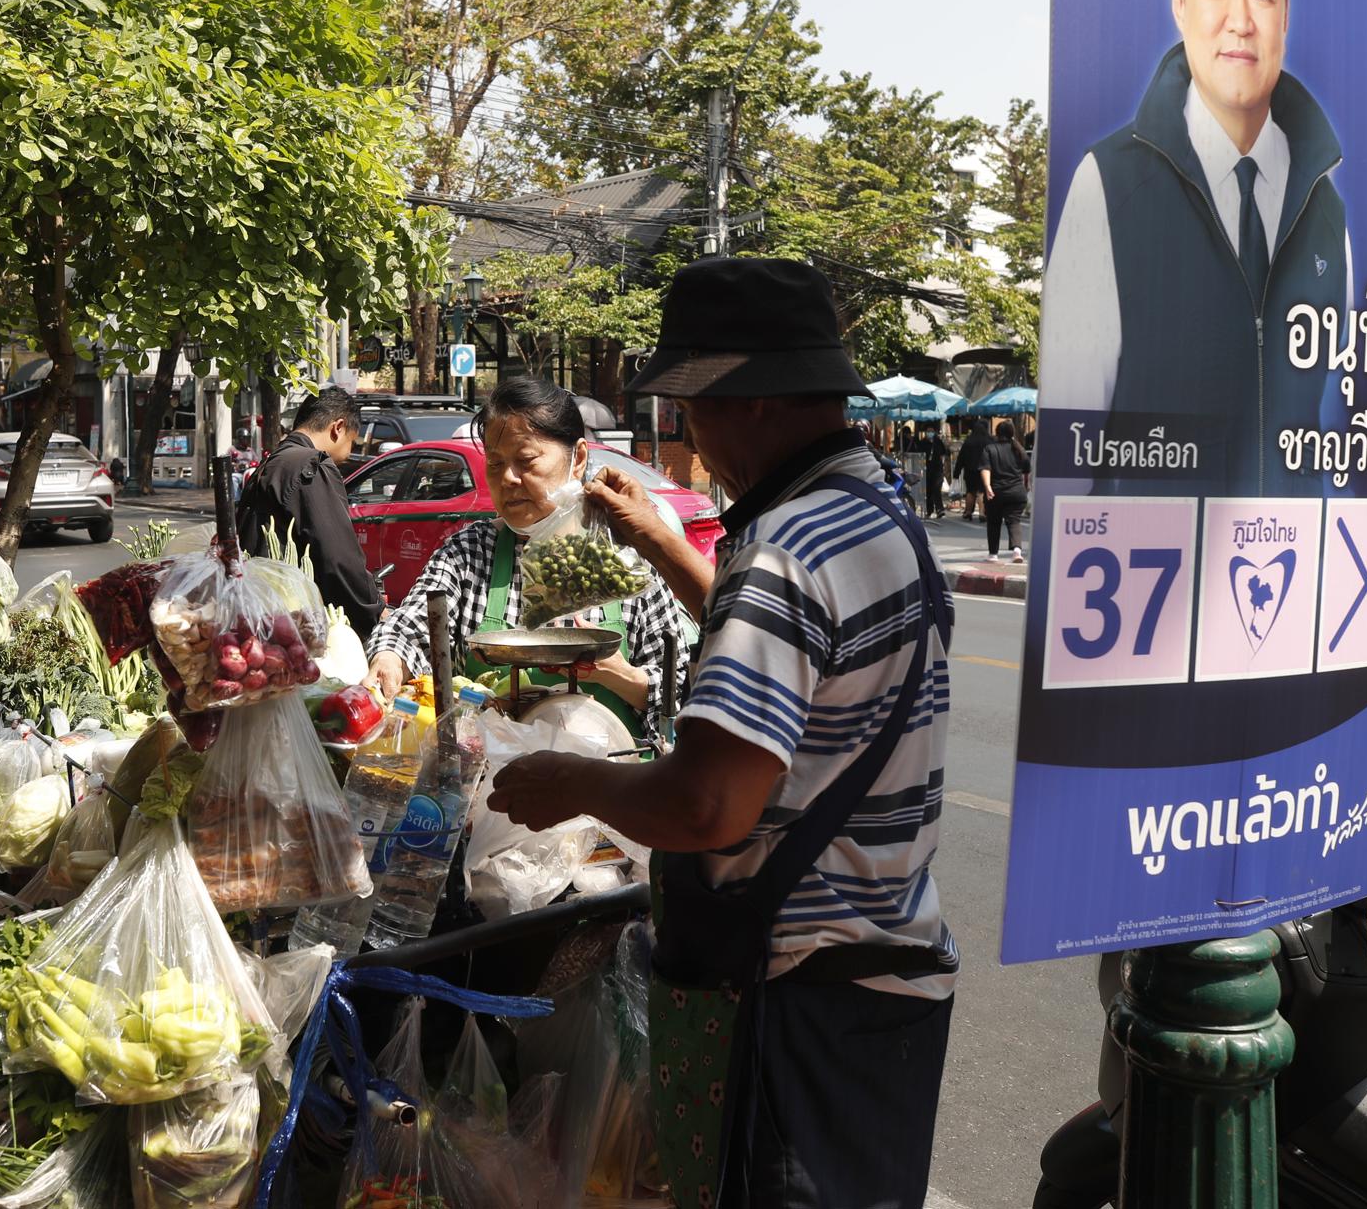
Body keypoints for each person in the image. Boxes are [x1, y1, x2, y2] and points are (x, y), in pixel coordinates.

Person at [488, 259, 956, 1208]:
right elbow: (794, 664)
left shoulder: (784, 549)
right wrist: (666, 543)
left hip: (800, 996)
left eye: (692, 406)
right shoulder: (876, 513)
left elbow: (706, 801)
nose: (687, 432)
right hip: (889, 979)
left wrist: (572, 781)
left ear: (750, 400)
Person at [1040, 0, 1343, 495]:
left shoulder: (1324, 208)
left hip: (1284, 576)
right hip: (1152, 582)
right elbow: (1071, 444)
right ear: (1178, 0)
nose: (1241, 19)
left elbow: (1322, 430)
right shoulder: (1109, 187)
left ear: (1286, 13)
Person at [363, 376, 688, 745]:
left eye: (526, 460)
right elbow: (408, 631)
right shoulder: (469, 553)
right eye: (496, 463)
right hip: (489, 785)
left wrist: (615, 673)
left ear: (578, 458)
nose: (508, 478)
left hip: (610, 786)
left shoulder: (624, 555)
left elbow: (681, 694)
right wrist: (389, 660)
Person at [237, 387, 385, 639]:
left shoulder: (272, 463)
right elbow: (338, 558)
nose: (349, 453)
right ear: (338, 428)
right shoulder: (310, 465)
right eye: (352, 441)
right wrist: (374, 610)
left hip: (259, 614)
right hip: (295, 626)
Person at [980, 419, 1030, 564]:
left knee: (994, 522)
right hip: (1017, 492)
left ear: (996, 433)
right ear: (1012, 433)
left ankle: (993, 554)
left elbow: (985, 468)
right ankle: (1017, 551)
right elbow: (1026, 470)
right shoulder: (1019, 449)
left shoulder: (990, 449)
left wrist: (987, 486)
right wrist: (1025, 487)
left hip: (996, 492)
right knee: (1014, 521)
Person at [953, 419, 989, 520]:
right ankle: (982, 513)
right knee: (982, 491)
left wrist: (956, 473)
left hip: (969, 470)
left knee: (970, 491)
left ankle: (968, 511)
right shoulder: (988, 441)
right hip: (984, 470)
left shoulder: (968, 441)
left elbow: (961, 458)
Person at [923, 421, 949, 519]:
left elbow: (944, 453)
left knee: (937, 489)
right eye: (928, 431)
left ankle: (940, 510)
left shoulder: (938, 442)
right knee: (929, 491)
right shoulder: (923, 443)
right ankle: (929, 510)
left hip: (938, 469)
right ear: (925, 432)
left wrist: (944, 466)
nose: (930, 433)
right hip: (927, 469)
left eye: (932, 431)